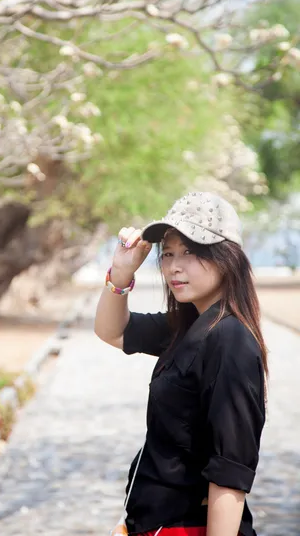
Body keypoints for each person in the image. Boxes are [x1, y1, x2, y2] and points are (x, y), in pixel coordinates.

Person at [94, 192, 268, 536]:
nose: (174, 266)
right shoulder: (189, 324)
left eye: (191, 252)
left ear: (227, 257)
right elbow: (113, 332)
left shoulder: (229, 339)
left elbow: (230, 471)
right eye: (168, 253)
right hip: (153, 521)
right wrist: (121, 273)